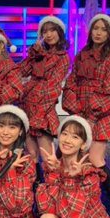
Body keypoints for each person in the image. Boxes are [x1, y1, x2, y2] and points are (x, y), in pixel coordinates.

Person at [62, 13, 110, 218]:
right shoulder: (82, 54)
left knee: (95, 158)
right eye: (96, 28)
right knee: (81, 158)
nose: (98, 33)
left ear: (109, 33)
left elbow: (109, 87)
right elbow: (72, 81)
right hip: (81, 107)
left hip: (102, 109)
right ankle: (85, 201)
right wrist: (77, 110)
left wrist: (92, 115)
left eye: (103, 29)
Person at [18, 15, 70, 174]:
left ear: (59, 32)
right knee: (31, 154)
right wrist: (32, 55)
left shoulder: (63, 57)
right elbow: (21, 71)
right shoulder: (38, 54)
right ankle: (32, 186)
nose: (49, 34)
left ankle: (51, 186)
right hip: (28, 102)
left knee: (47, 156)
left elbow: (54, 86)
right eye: (45, 31)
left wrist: (39, 113)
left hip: (44, 107)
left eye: (52, 30)